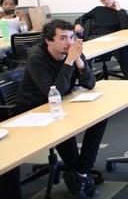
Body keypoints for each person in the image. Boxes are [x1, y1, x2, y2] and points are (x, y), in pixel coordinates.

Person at [14, 19, 107, 199]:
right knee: (64, 129)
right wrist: (70, 60)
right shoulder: (37, 58)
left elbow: (90, 83)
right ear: (49, 41)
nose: (69, 42)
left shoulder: (71, 51)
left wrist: (78, 59)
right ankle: (79, 179)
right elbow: (55, 92)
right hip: (34, 110)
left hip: (61, 104)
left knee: (100, 118)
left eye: (71, 37)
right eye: (63, 38)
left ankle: (79, 174)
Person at [74, 0, 128, 80]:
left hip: (113, 39)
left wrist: (119, 9)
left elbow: (127, 27)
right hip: (94, 38)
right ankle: (86, 81)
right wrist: (78, 24)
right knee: (83, 54)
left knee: (122, 53)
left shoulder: (121, 12)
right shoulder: (97, 10)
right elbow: (80, 19)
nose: (106, 1)